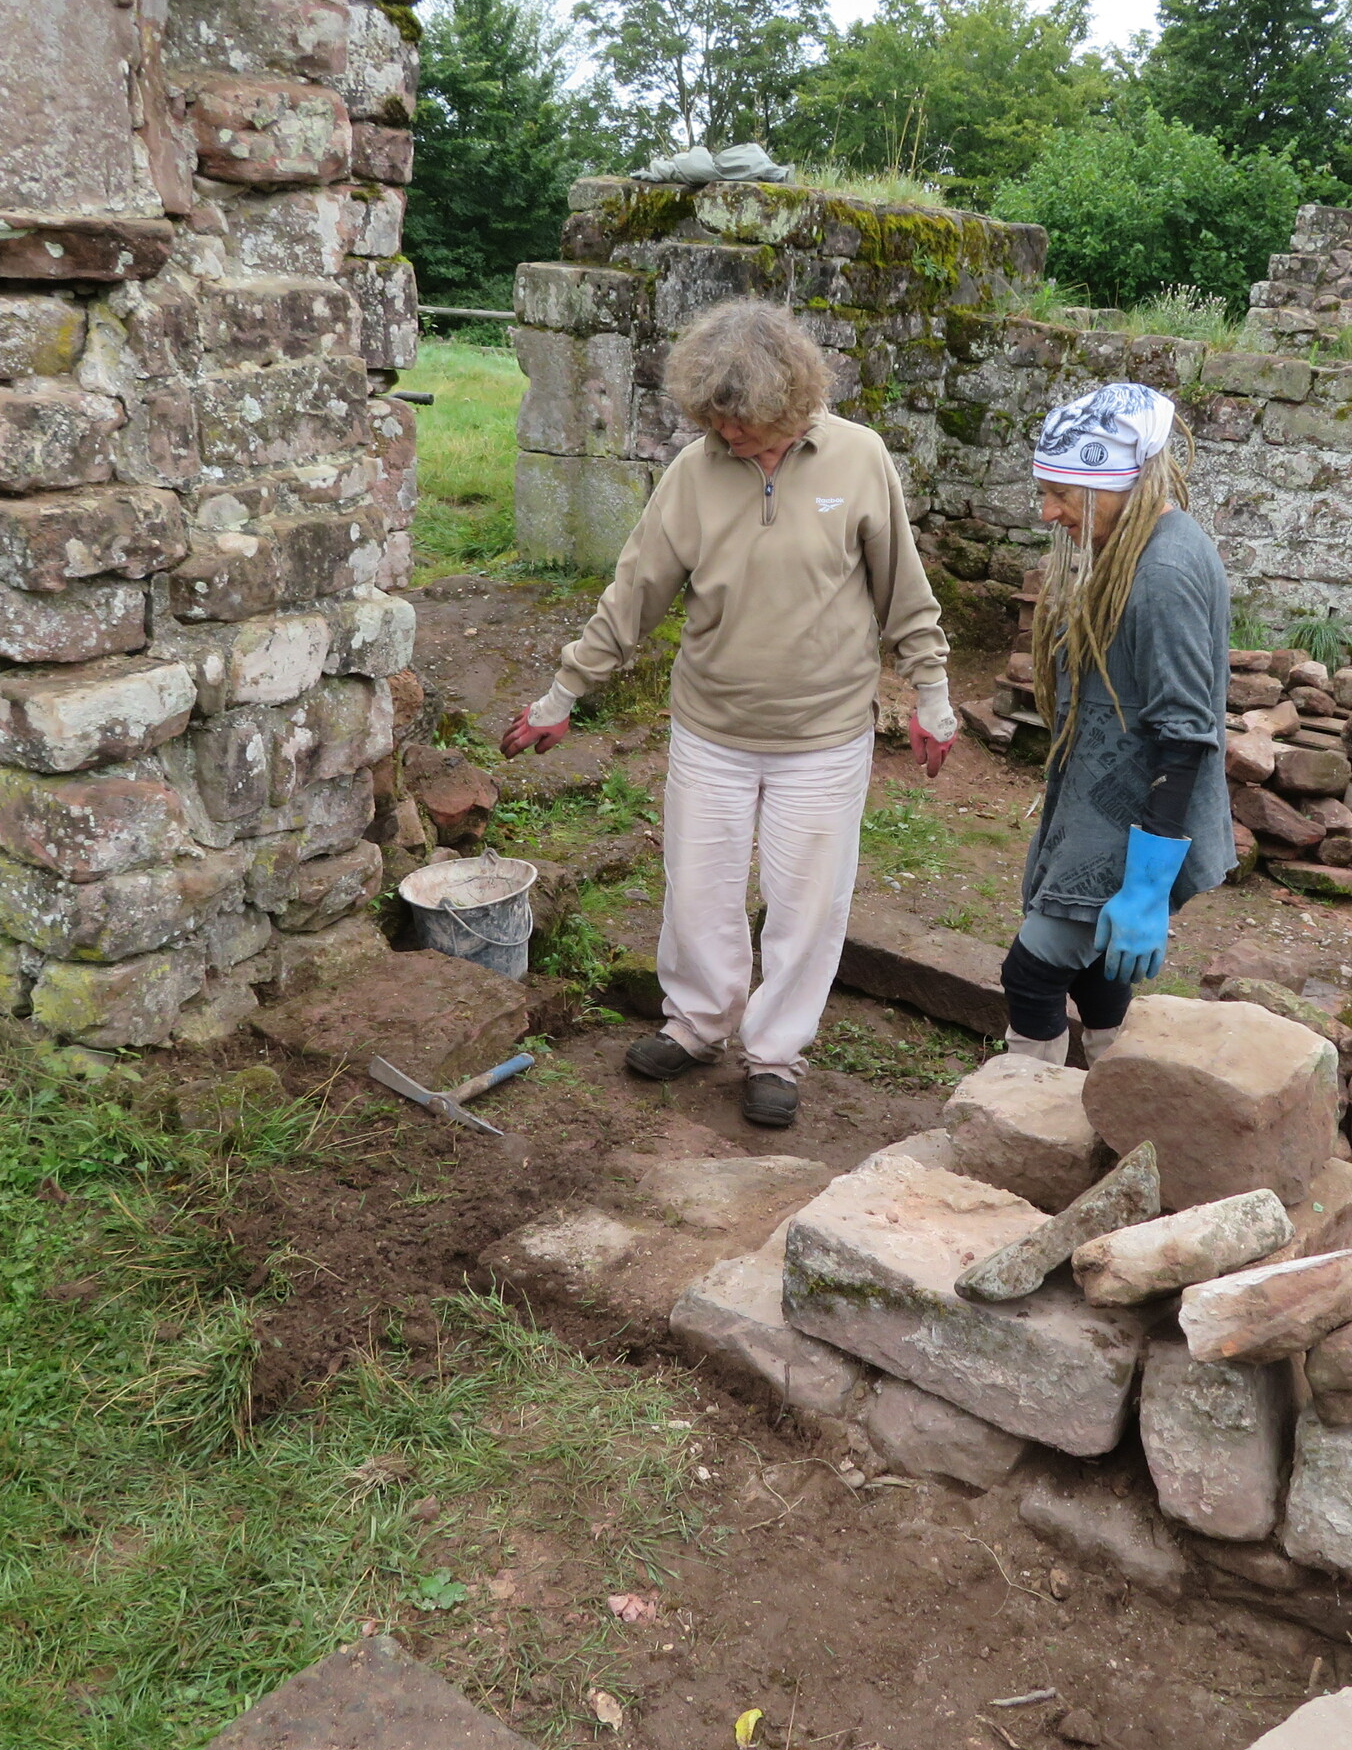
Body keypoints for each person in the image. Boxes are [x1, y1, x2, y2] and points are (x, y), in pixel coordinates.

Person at [499, 298, 955, 1129]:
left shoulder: (859, 459)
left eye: (739, 419)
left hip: (823, 735)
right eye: (711, 417)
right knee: (699, 892)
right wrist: (562, 696)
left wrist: (933, 698)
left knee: (807, 905)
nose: (724, 433)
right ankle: (698, 1024)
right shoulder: (694, 471)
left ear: (788, 400)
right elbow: (633, 595)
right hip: (712, 729)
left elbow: (905, 594)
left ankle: (775, 1054)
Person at [1003, 383, 1234, 1064]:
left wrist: (1145, 889)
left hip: (1129, 824)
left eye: (1062, 495)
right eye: (1044, 492)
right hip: (1105, 805)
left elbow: (1185, 732)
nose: (1048, 513)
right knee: (1098, 972)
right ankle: (1120, 1097)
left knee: (1033, 972)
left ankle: (1022, 1110)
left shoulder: (1162, 571)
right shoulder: (1144, 545)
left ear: (1115, 485)